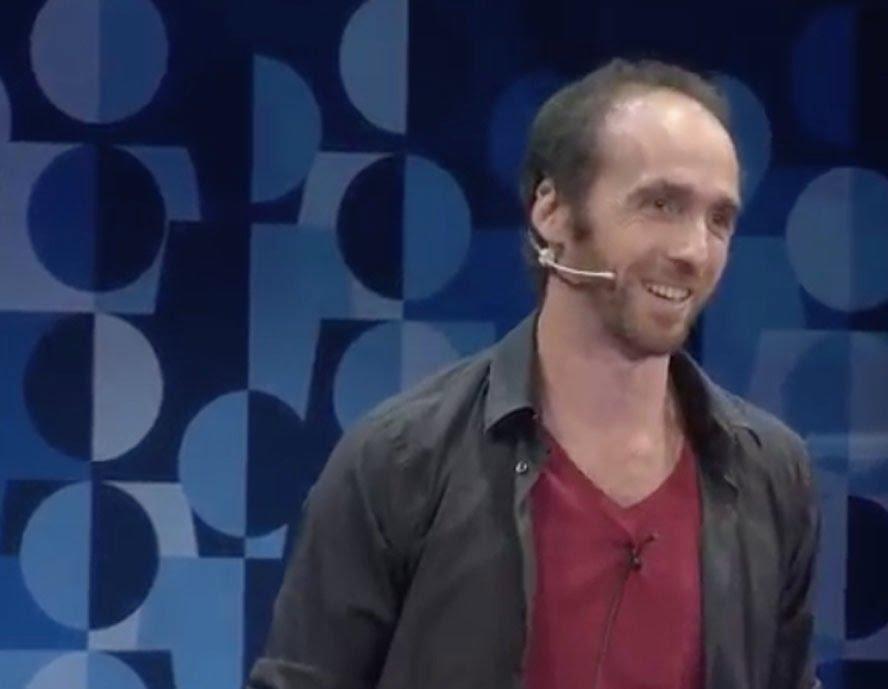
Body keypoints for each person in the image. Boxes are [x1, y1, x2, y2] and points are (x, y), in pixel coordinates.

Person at [247, 58, 820, 689]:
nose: (694, 251)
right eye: (661, 204)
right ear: (552, 210)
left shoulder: (770, 474)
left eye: (719, 220)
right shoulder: (401, 461)